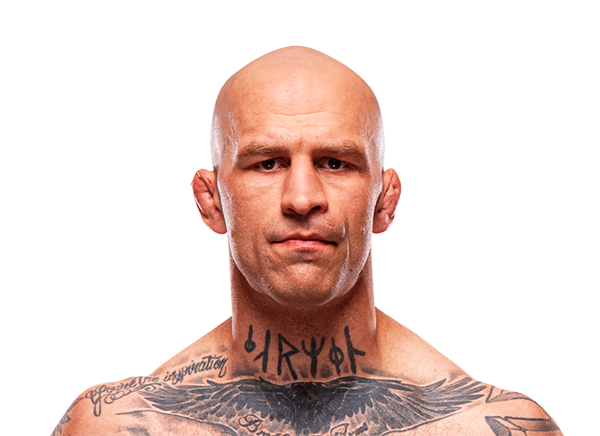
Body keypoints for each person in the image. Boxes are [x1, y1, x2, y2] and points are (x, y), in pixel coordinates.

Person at [54, 46, 562, 436]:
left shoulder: (486, 427)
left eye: (335, 163)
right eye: (267, 163)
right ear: (211, 201)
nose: (302, 198)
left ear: (384, 201)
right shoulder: (117, 426)